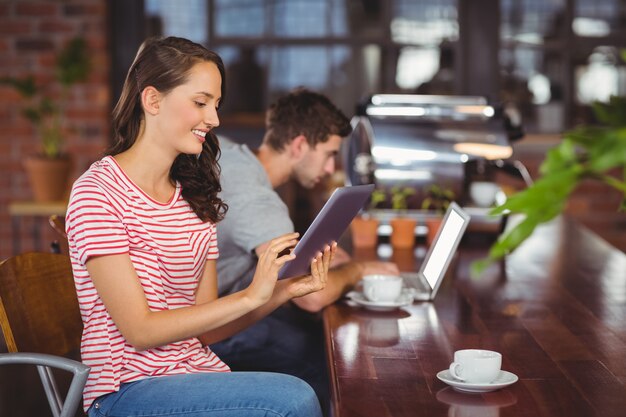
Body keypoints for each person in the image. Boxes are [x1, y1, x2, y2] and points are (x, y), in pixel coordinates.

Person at [65, 36, 335, 417]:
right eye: (200, 102)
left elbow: (205, 329)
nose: (214, 119)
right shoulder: (97, 193)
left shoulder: (194, 198)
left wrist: (282, 291)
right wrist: (250, 295)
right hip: (125, 390)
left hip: (191, 373)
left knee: (303, 386)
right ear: (153, 100)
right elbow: (139, 330)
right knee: (294, 399)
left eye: (216, 104)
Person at [211, 89, 399, 413]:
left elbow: (282, 256)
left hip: (224, 308)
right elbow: (309, 298)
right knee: (325, 361)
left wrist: (321, 257)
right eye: (328, 154)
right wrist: (358, 271)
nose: (329, 168)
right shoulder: (256, 197)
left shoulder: (235, 158)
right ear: (299, 145)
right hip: (213, 329)